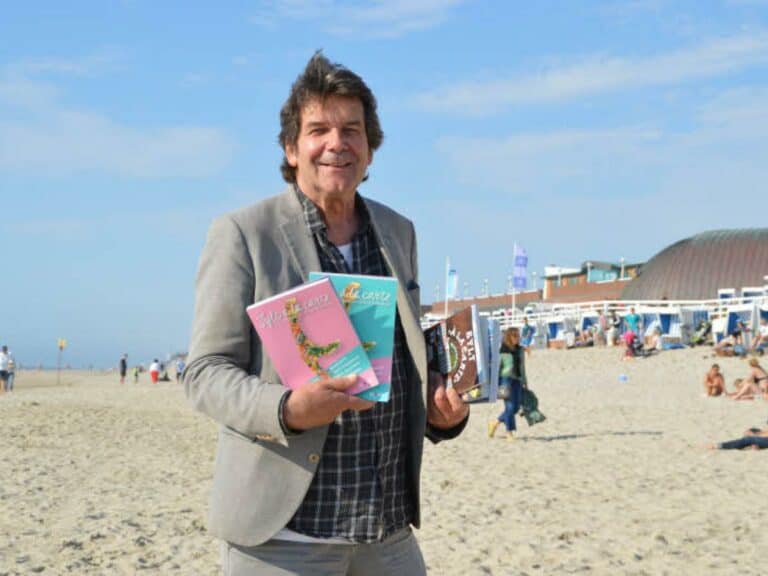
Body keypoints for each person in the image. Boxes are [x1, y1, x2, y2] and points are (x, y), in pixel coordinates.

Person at [183, 52, 468, 575]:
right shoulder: (244, 234)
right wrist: (288, 409)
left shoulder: (398, 232)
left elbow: (401, 360)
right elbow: (204, 374)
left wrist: (442, 414)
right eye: (319, 129)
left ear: (370, 149)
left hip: (387, 530)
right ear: (292, 149)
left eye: (352, 130)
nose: (336, 143)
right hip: (284, 536)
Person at [488, 327, 527, 441]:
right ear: (509, 337)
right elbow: (497, 369)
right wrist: (495, 384)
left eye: (518, 336)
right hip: (505, 380)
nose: (517, 338)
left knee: (516, 408)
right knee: (509, 407)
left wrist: (525, 382)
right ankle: (509, 432)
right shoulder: (503, 351)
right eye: (514, 336)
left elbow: (522, 367)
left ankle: (495, 422)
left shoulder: (520, 350)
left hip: (518, 380)